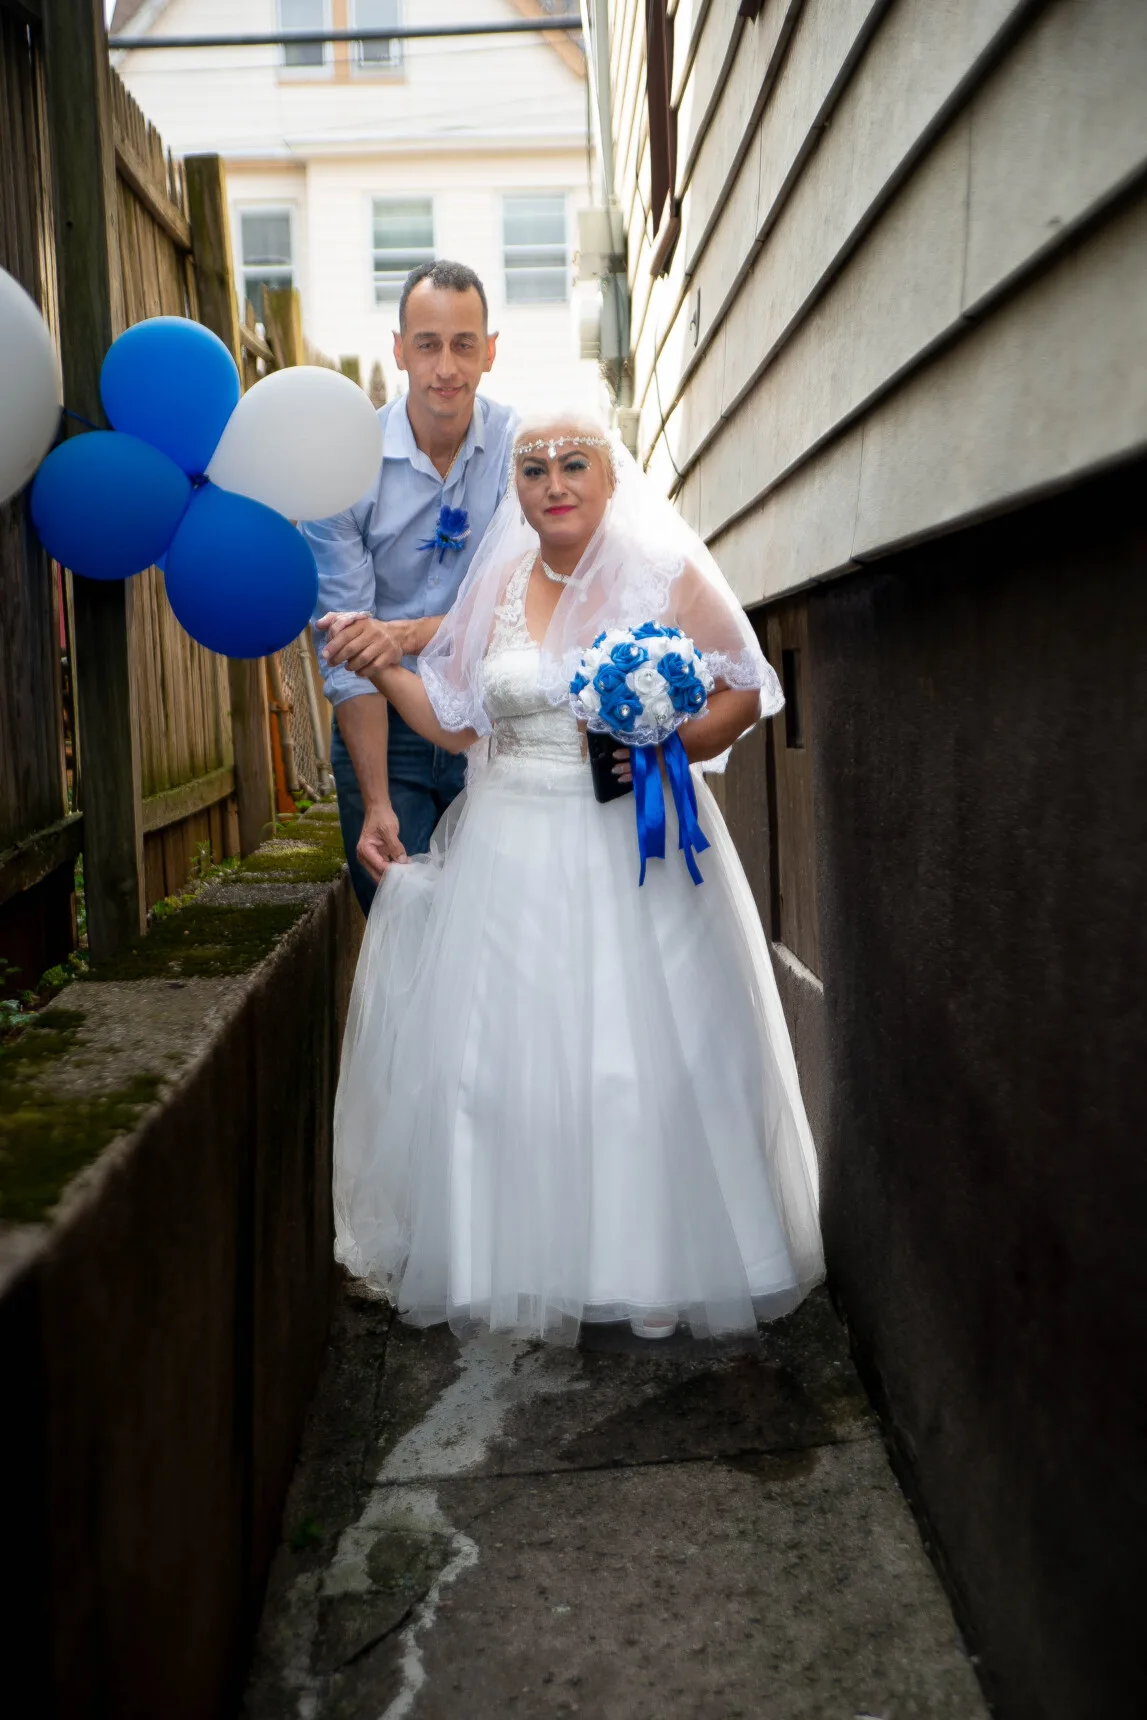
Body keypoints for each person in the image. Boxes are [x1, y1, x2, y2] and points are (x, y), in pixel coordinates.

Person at [320, 413, 825, 1344]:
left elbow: (744, 689)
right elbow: (460, 724)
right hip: (511, 845)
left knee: (630, 1063)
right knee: (501, 1064)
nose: (552, 481)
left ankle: (651, 1266)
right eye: (532, 467)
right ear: (516, 489)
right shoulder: (502, 584)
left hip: (632, 845)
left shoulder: (662, 574)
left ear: (607, 476)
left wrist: (669, 740)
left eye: (572, 464)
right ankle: (519, 1263)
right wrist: (390, 665)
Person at [304, 260, 518, 914]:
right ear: (399, 350)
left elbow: (516, 611)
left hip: (493, 725)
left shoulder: (523, 452)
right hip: (384, 728)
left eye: (462, 344)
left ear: (489, 351)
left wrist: (400, 634)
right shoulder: (342, 466)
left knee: (496, 937)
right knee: (407, 933)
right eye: (427, 344)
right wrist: (375, 801)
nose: (445, 367)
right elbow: (347, 650)